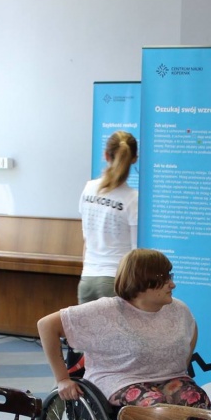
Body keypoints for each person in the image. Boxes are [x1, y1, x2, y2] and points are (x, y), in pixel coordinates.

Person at [37, 248, 209, 409]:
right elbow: (46, 326)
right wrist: (62, 379)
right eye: (165, 279)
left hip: (169, 379)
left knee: (197, 400)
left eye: (170, 277)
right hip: (119, 380)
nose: (172, 284)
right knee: (157, 408)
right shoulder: (106, 310)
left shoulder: (179, 309)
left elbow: (191, 331)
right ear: (143, 281)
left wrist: (178, 370)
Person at [78, 130, 139, 304]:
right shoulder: (133, 199)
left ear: (106, 155)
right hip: (116, 281)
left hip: (87, 279)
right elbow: (135, 252)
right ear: (134, 159)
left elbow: (86, 239)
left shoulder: (89, 188)